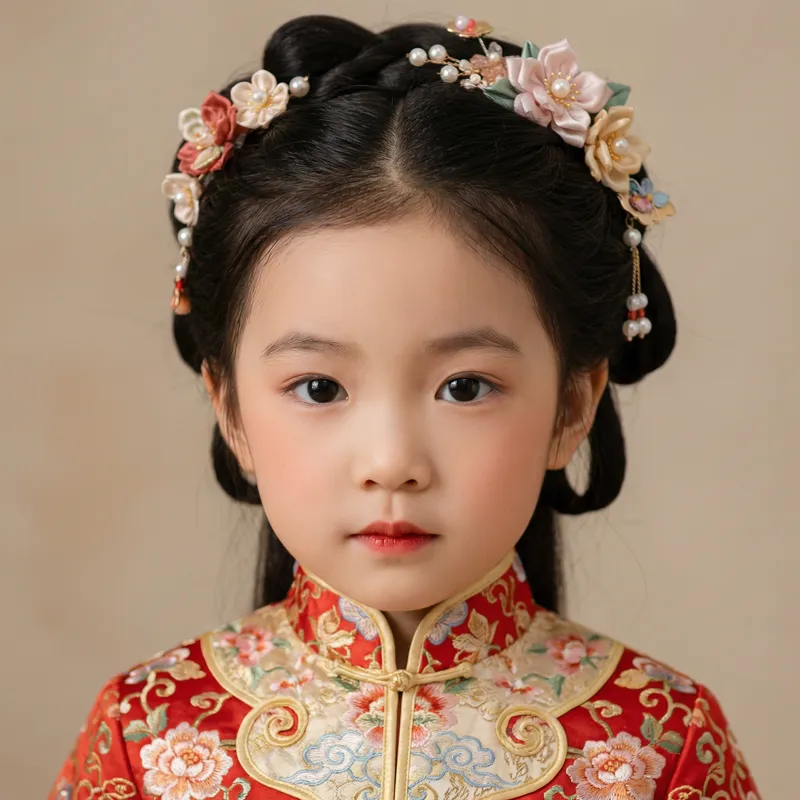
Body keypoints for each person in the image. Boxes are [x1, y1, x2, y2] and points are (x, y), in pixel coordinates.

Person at [48, 13, 761, 800]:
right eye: (319, 388)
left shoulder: (658, 742)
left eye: (465, 386)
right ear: (231, 411)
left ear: (571, 407)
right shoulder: (147, 736)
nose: (392, 461)